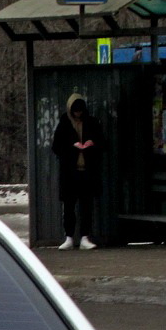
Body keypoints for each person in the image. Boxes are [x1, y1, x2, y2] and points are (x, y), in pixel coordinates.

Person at [51, 92, 104, 250]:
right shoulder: (64, 123)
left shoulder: (91, 123)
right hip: (69, 172)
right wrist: (72, 147)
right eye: (75, 112)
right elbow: (56, 147)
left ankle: (85, 237)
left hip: (87, 171)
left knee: (86, 205)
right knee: (69, 205)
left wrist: (91, 144)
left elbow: (102, 143)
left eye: (80, 111)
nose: (78, 114)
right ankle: (69, 237)